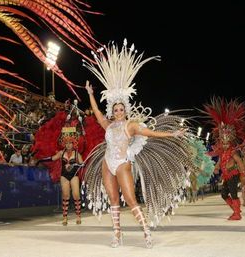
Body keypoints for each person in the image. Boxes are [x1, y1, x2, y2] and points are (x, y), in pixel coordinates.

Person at [82, 39, 194, 248]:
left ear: (125, 110)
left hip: (123, 163)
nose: (118, 112)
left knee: (130, 200)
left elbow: (151, 133)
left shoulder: (131, 126)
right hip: (107, 163)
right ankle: (117, 235)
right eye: (115, 109)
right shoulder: (107, 125)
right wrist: (90, 94)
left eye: (121, 109)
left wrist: (173, 134)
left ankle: (146, 232)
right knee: (113, 200)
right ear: (112, 111)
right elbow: (96, 112)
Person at [201, 96, 245, 220]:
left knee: (233, 194)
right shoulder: (222, 151)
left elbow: (238, 160)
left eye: (227, 142)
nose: (225, 144)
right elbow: (221, 160)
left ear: (230, 141)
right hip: (227, 175)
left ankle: (237, 214)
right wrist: (216, 168)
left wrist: (243, 172)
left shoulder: (232, 151)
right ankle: (236, 209)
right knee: (223, 194)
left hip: (233, 174)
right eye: (223, 142)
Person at [37, 132, 84, 225]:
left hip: (74, 175)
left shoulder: (77, 154)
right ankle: (65, 217)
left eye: (70, 143)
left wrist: (74, 165)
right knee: (65, 196)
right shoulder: (61, 153)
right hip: (64, 176)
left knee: (76, 195)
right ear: (64, 144)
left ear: (73, 144)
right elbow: (52, 158)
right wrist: (41, 159)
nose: (68, 145)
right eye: (66, 143)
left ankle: (78, 216)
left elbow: (82, 164)